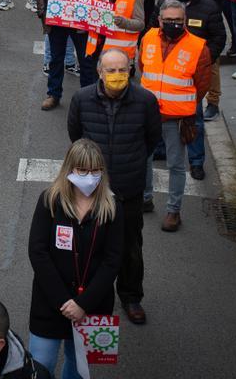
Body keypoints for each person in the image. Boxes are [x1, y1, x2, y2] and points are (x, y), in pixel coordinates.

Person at [67, 49, 160, 326]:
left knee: (130, 246)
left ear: (131, 70)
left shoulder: (145, 100)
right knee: (90, 245)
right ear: (99, 72)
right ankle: (90, 295)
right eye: (111, 70)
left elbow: (151, 140)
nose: (117, 75)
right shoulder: (82, 99)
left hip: (128, 189)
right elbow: (76, 136)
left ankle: (131, 297)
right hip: (91, 189)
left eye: (122, 70)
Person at [27, 139, 124, 376]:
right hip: (50, 303)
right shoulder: (49, 200)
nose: (90, 177)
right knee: (40, 365)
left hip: (91, 305)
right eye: (83, 170)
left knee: (78, 367)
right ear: (70, 168)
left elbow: (113, 260)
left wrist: (82, 304)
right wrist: (65, 302)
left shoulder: (112, 207)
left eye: (95, 171)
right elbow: (37, 252)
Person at [137, 0, 211, 233]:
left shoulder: (198, 46)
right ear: (159, 20)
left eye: (177, 21)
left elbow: (202, 85)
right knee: (144, 159)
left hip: (176, 118)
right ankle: (146, 198)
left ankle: (173, 210)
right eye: (168, 20)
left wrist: (183, 105)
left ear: (185, 20)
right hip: (148, 115)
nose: (172, 24)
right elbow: (143, 67)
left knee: (176, 165)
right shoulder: (148, 37)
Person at [159, 0, 227, 176]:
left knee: (193, 119)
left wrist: (204, 61)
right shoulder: (165, 2)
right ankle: (162, 148)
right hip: (166, 74)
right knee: (160, 115)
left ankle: (196, 161)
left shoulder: (209, 6)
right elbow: (152, 33)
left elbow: (218, 38)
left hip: (191, 77)